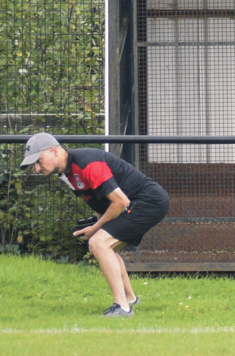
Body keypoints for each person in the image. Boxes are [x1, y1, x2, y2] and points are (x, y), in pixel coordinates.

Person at [23, 133, 170, 316]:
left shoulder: (87, 163)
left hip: (148, 202)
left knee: (99, 243)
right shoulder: (66, 173)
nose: (36, 168)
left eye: (38, 161)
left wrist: (95, 228)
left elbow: (120, 201)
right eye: (34, 165)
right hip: (134, 203)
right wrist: (98, 222)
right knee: (105, 247)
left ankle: (122, 307)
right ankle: (131, 299)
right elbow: (99, 199)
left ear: (54, 151)